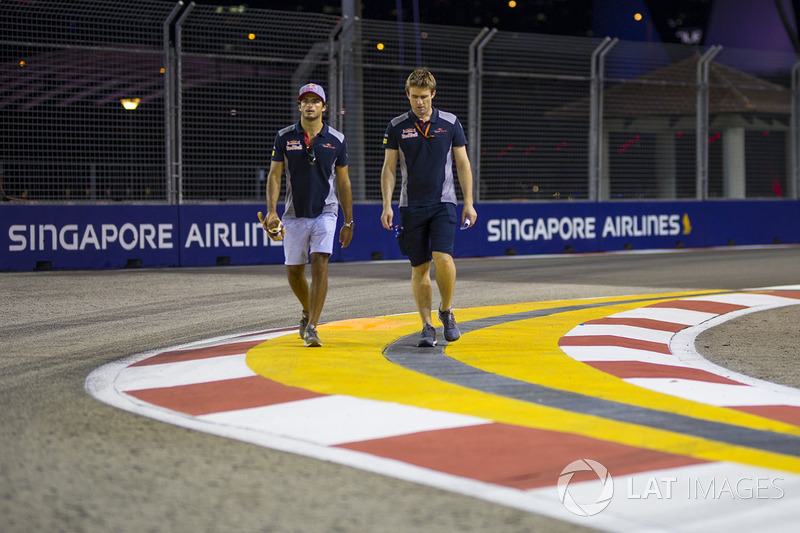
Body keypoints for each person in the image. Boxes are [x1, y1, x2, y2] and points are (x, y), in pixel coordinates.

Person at [380, 69, 477, 347]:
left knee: (443, 258)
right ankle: (426, 326)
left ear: (433, 94)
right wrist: (386, 204)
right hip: (410, 205)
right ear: (407, 95)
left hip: (443, 202)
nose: (419, 103)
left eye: (424, 97)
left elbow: (463, 164)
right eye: (414, 97)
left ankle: (446, 310)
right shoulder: (397, 126)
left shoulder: (450, 122)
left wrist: (468, 202)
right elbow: (389, 169)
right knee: (419, 267)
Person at [263, 83, 354, 347]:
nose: (310, 105)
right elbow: (275, 175)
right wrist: (271, 212)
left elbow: (344, 182)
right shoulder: (285, 137)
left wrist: (348, 221)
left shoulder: (337, 139)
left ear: (324, 107)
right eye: (306, 101)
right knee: (293, 272)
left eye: (316, 101)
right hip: (293, 213)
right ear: (299, 105)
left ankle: (313, 326)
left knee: (320, 263)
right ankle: (307, 310)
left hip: (326, 210)